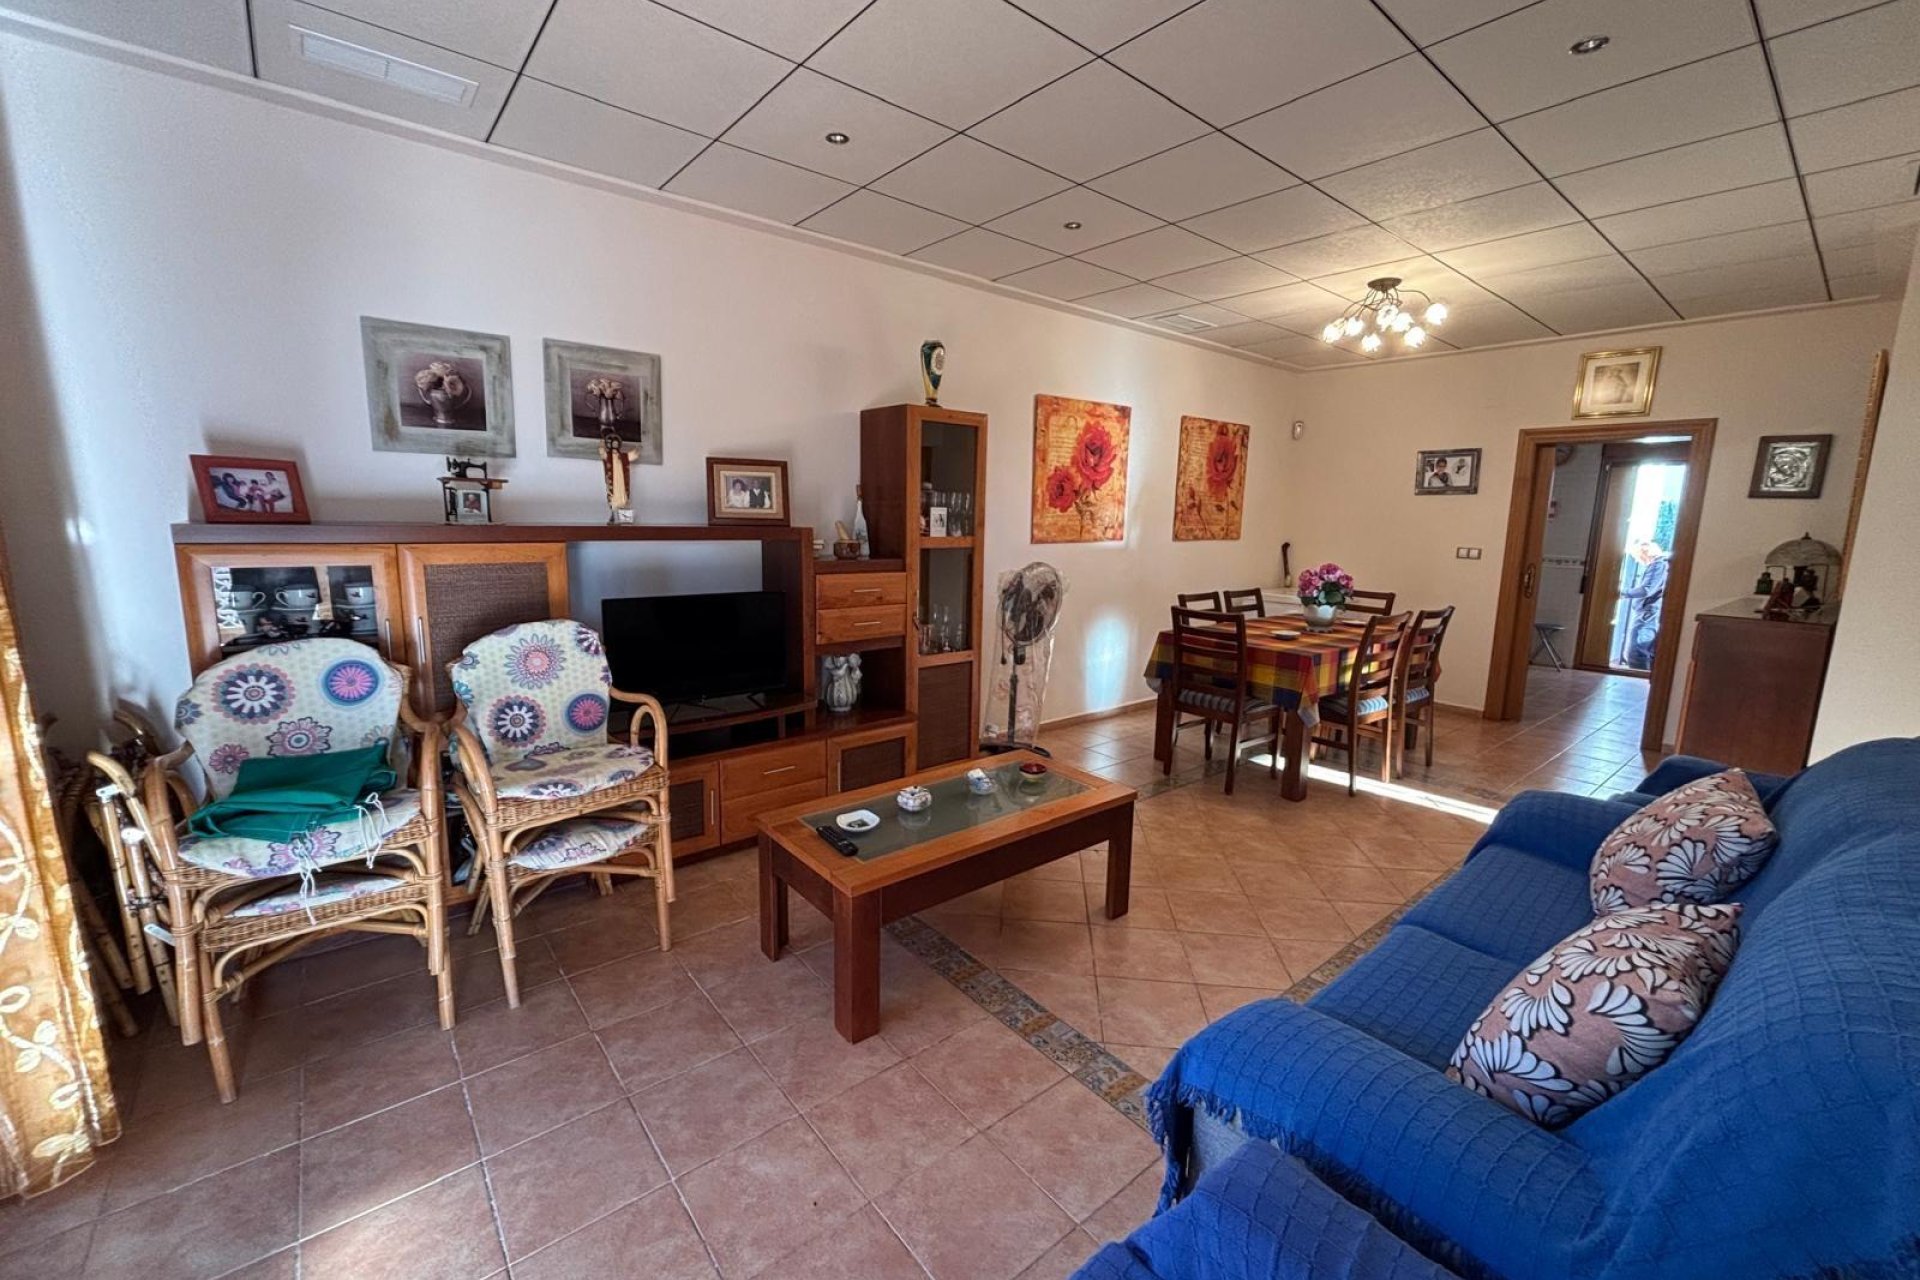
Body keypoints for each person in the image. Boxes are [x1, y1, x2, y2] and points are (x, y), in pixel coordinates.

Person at [1618, 540, 1669, 670]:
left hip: (1648, 613)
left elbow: (1646, 590)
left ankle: (1637, 679)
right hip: (1650, 611)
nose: (1636, 560)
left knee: (1637, 651)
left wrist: (1622, 592)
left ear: (1644, 552)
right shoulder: (1662, 564)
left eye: (1636, 556)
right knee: (1645, 650)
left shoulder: (1658, 565)